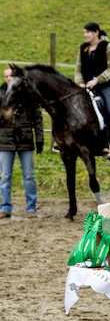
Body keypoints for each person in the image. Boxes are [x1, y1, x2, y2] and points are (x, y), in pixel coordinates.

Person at [0, 68, 44, 219]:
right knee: (5, 176)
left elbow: (37, 117)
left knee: (29, 176)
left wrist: (39, 138)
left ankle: (31, 208)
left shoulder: (29, 96)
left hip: (25, 141)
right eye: (6, 76)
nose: (9, 78)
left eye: (11, 76)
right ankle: (5, 207)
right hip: (5, 142)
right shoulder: (1, 95)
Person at [74, 22, 110, 159]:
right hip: (86, 87)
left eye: (87, 32)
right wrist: (80, 83)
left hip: (105, 86)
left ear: (96, 32)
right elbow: (78, 69)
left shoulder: (106, 46)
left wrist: (96, 80)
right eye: (84, 33)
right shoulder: (83, 48)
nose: (85, 35)